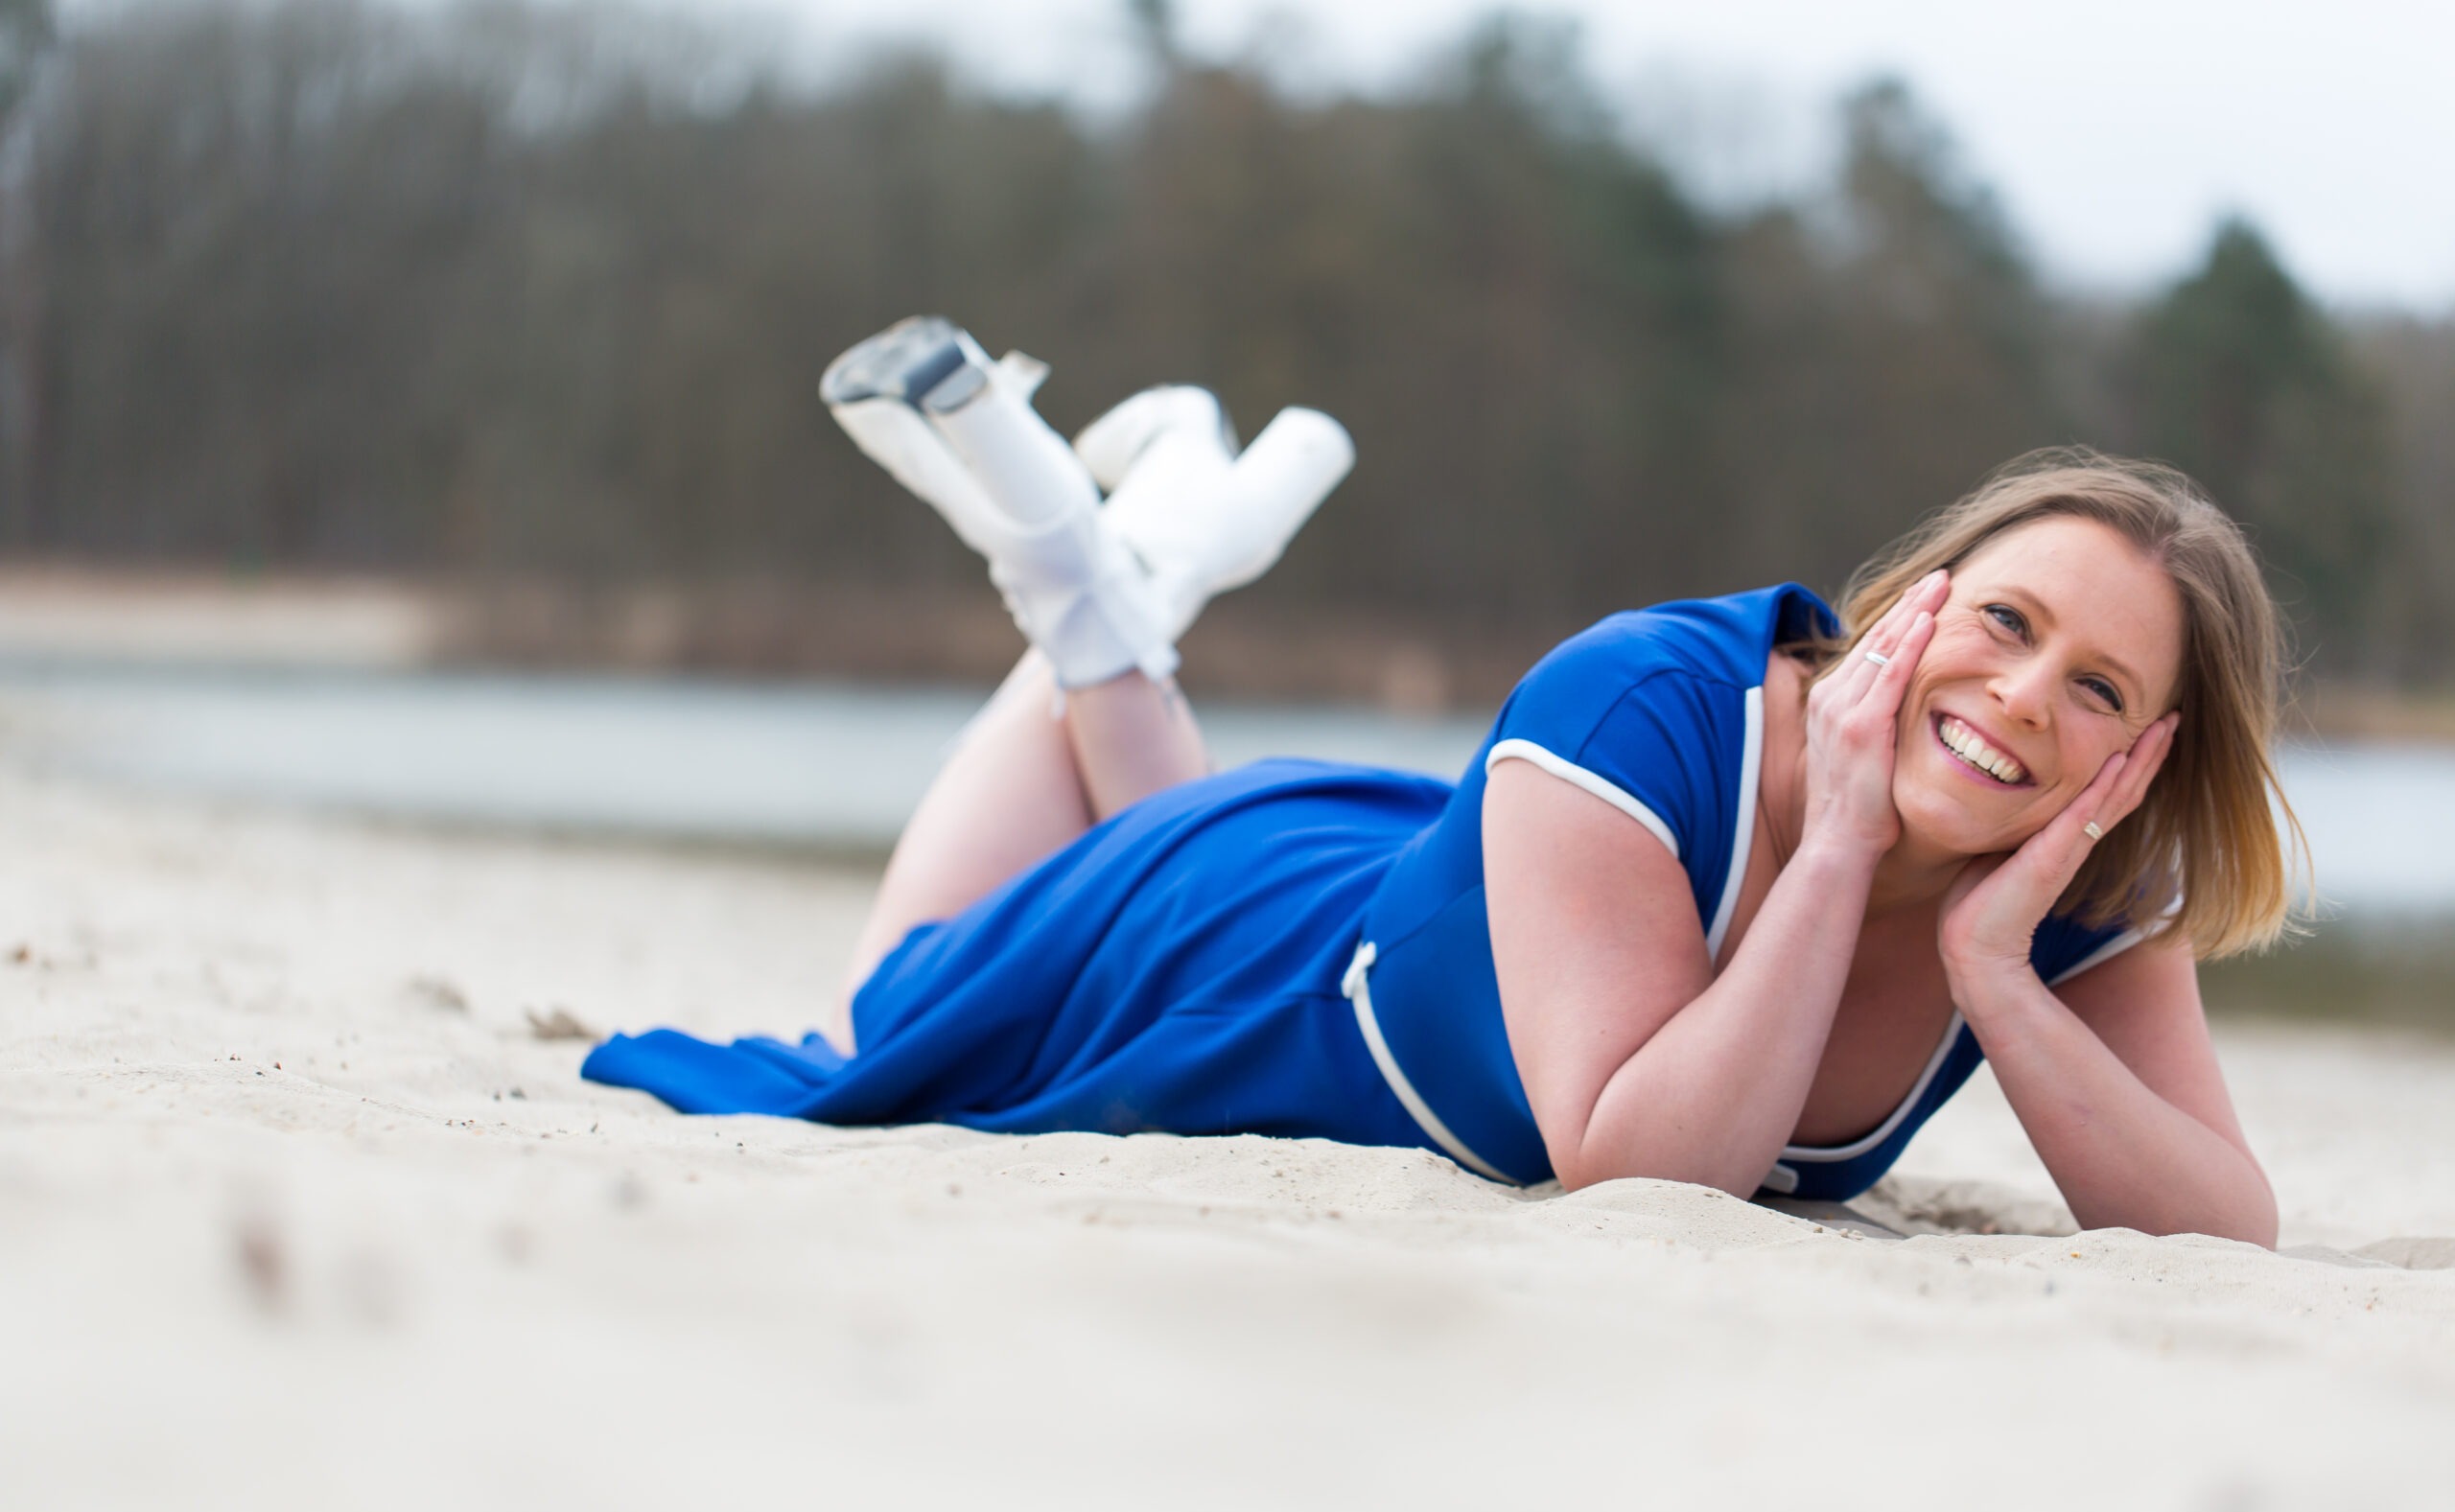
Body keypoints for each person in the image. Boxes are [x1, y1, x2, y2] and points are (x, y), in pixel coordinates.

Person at [584, 318, 2301, 1248]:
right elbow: (1644, 1167)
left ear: (2146, 758)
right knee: (889, 1010)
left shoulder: (2078, 879)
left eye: (2097, 690)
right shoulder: (1648, 705)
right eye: (2000, 620)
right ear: (1918, 605)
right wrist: (1840, 842)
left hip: (1434, 885)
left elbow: (2226, 1224)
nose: (2020, 699)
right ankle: (1076, 575)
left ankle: (1133, 569)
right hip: (1232, 936)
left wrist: (1998, 973)